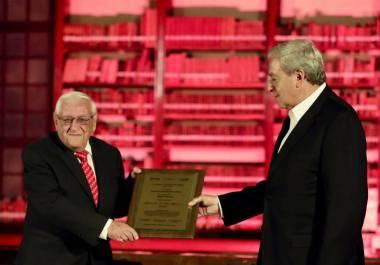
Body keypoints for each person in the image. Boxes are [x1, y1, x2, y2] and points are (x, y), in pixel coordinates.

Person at [189, 39, 368, 265]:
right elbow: (284, 186)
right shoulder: (297, 117)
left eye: (274, 79)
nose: (269, 88)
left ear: (299, 77)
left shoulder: (339, 120)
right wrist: (223, 204)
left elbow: (345, 211)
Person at [15, 91, 139, 265]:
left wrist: (136, 185)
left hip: (96, 260)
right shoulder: (38, 153)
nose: (74, 127)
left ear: (93, 122)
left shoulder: (109, 154)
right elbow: (51, 204)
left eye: (82, 119)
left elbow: (113, 206)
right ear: (56, 121)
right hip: (51, 260)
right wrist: (106, 227)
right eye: (67, 120)